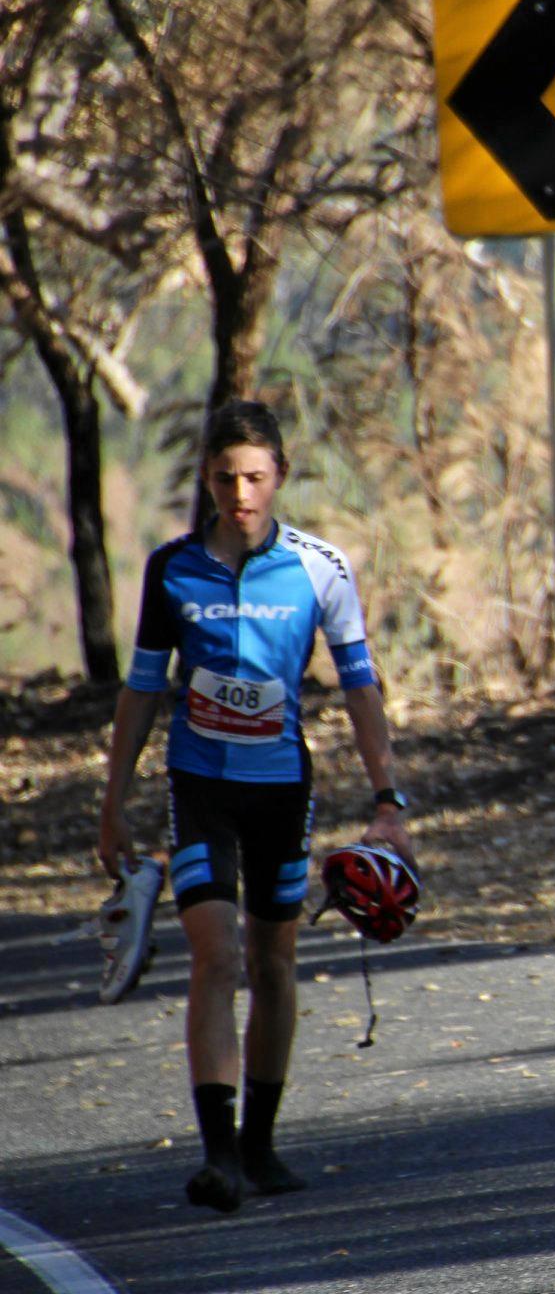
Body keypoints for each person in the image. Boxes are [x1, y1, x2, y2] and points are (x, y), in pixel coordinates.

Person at [95, 401, 413, 1212]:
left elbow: (361, 686)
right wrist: (114, 802)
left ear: (281, 477)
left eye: (256, 476)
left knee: (274, 963)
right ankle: (218, 1155)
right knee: (218, 958)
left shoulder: (321, 568)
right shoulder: (172, 570)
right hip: (200, 787)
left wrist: (388, 802)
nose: (241, 491)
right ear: (207, 478)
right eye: (227, 476)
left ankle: (261, 1147)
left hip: (281, 790)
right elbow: (141, 688)